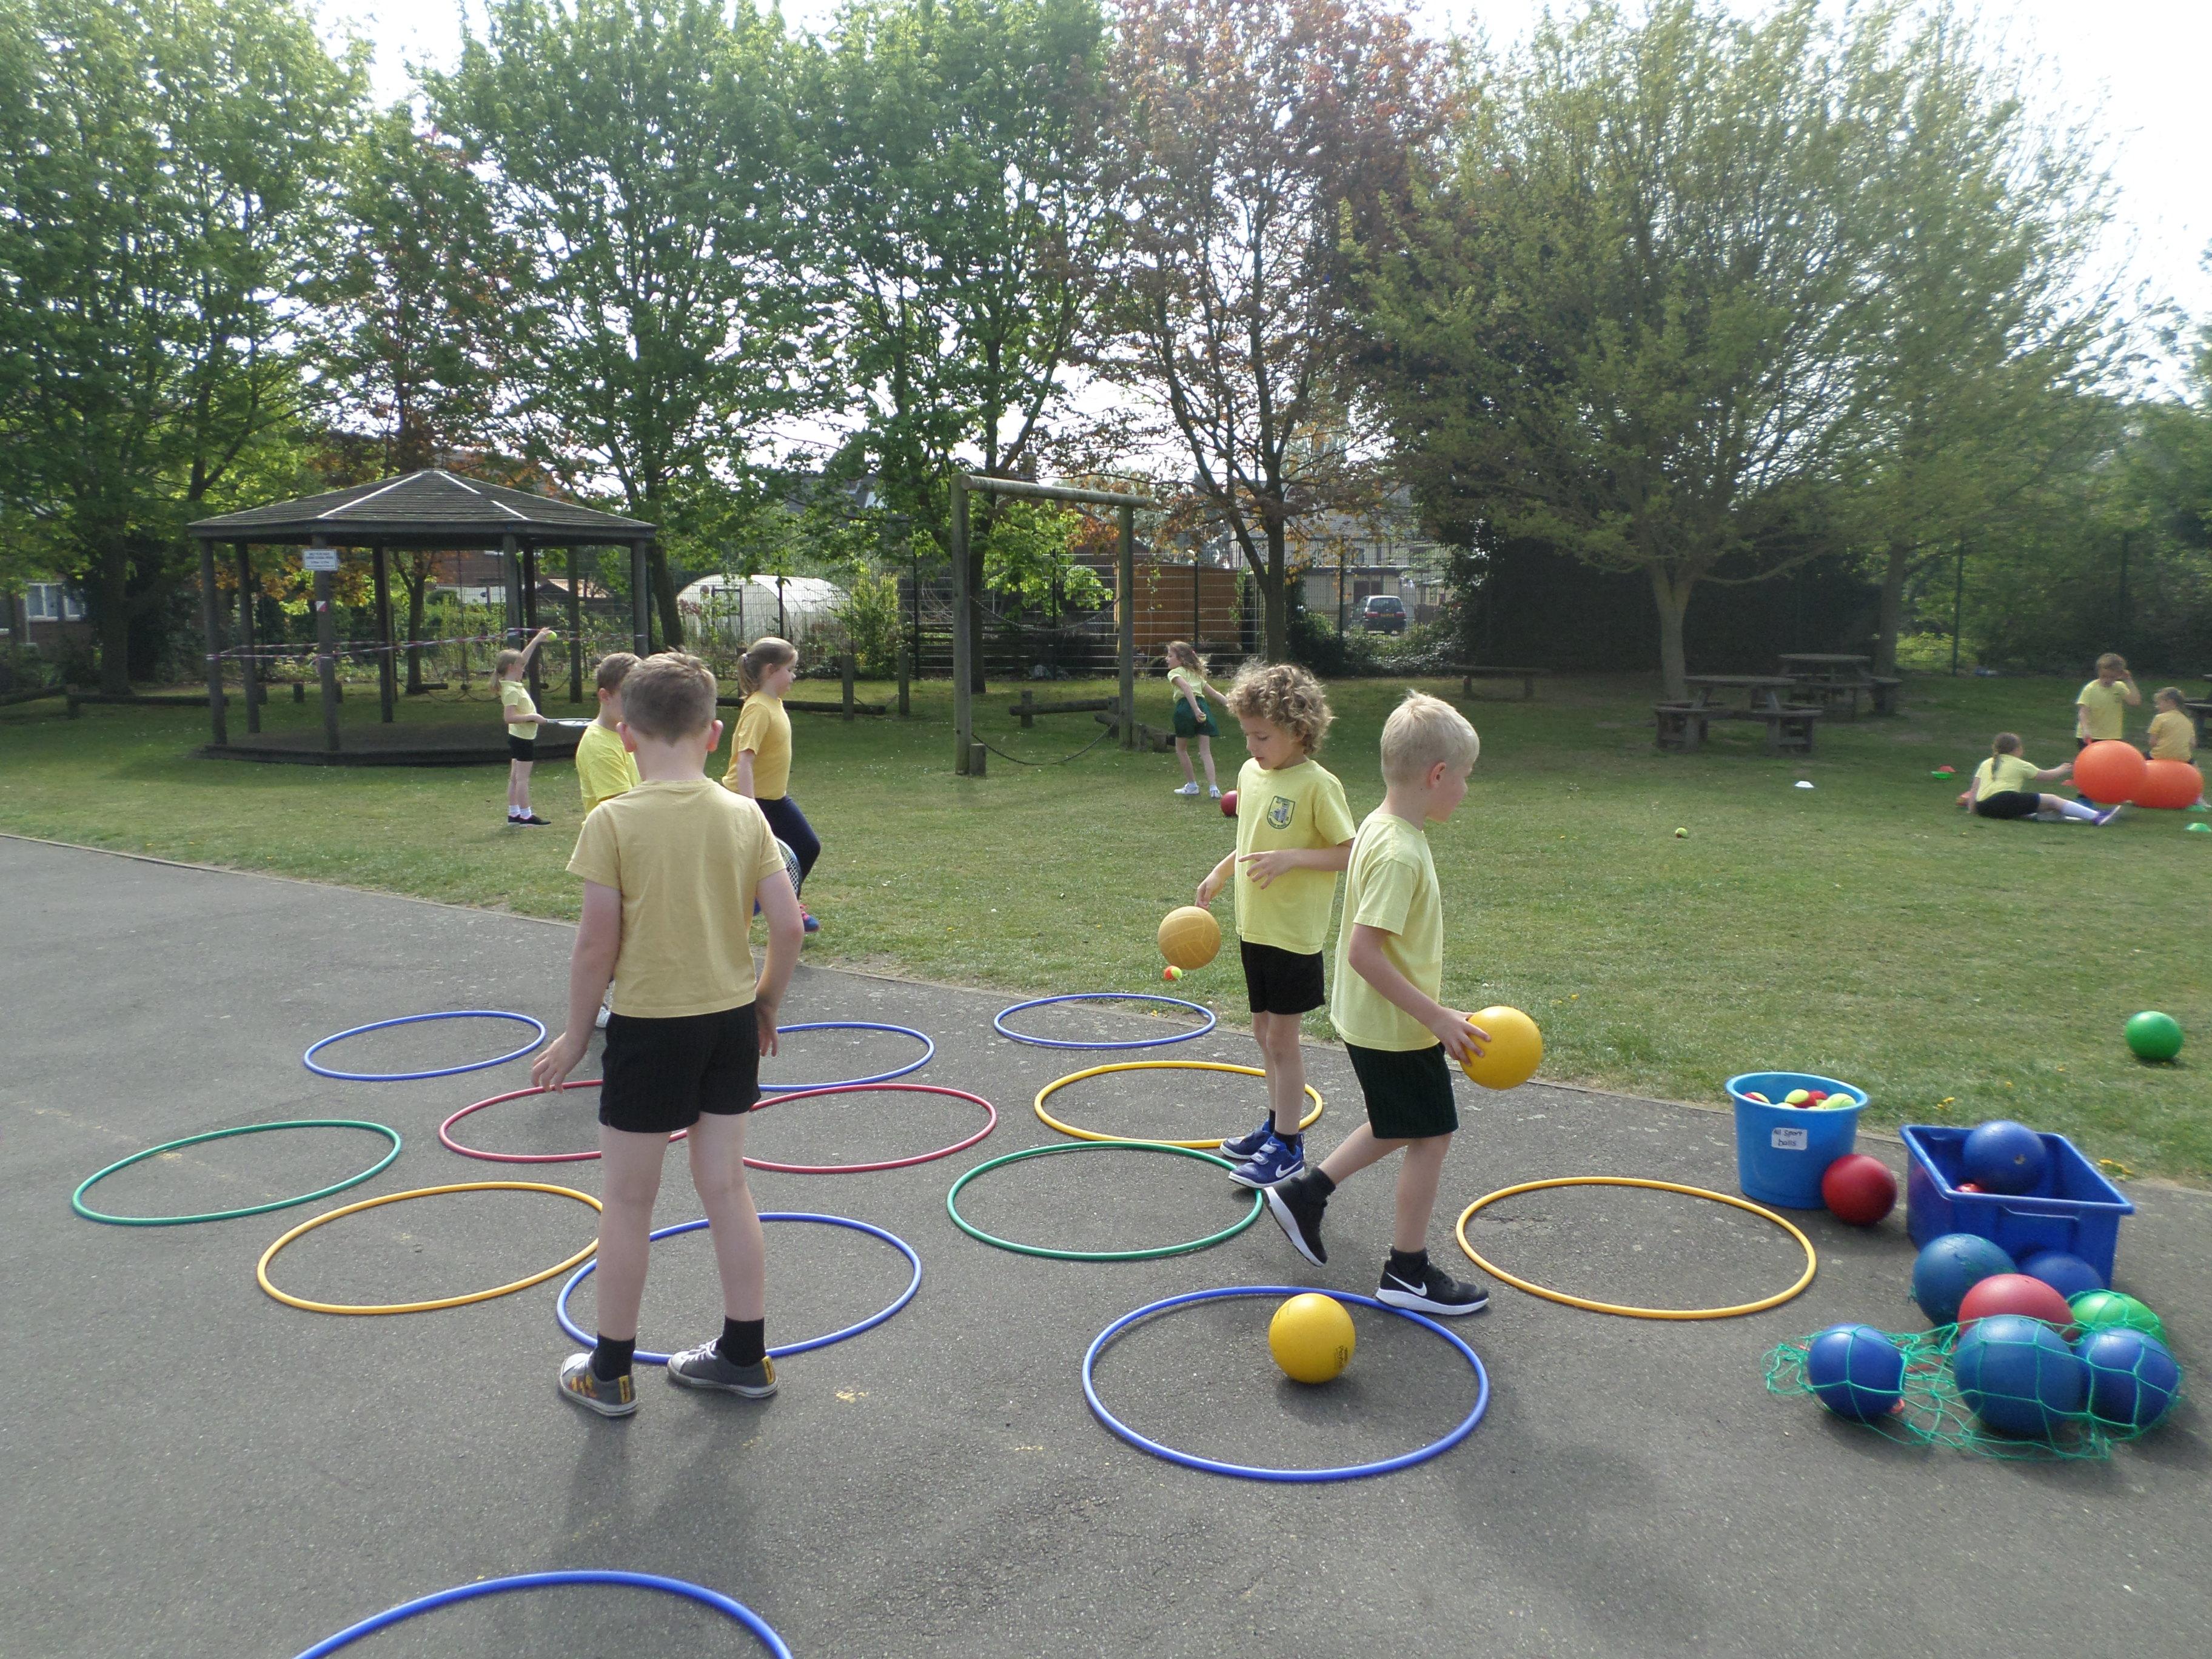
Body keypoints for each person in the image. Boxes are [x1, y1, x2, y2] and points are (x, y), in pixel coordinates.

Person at [533, 652, 806, 1418]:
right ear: (714, 734)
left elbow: (596, 946)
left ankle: (610, 1372)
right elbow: (788, 926)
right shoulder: (745, 814)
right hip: (728, 1023)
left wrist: (574, 1035)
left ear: (626, 733)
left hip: (651, 1030)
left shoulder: (613, 820)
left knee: (627, 1201)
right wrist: (765, 1003)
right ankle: (745, 1357)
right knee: (727, 1186)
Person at [1263, 691, 1489, 1316]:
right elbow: (1365, 952)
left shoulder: (1382, 826)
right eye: (1465, 776)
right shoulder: (1396, 851)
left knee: (1401, 1121)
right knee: (1432, 1134)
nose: (1466, 789)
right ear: (1437, 775)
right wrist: (1436, 1016)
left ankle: (1306, 1193)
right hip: (1395, 1025)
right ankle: (1407, 1271)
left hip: (1377, 1019)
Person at [1198, 662, 1357, 1187]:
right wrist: (1221, 872)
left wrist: (1294, 858)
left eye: (1262, 736)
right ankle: (1274, 1128)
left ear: (1299, 729)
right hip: (1255, 928)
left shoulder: (1318, 785)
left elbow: (1351, 853)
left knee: (1284, 1040)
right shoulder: (1251, 774)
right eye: (1247, 735)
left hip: (1292, 934)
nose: (1251, 746)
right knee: (1263, 1032)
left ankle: (1288, 1147)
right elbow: (1250, 838)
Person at [723, 636, 819, 934]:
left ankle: (781, 904)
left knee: (807, 846)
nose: (793, 676)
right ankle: (765, 905)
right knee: (747, 861)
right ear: (770, 670)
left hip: (775, 799)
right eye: (790, 670)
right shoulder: (758, 708)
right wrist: (750, 807)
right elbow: (744, 761)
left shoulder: (774, 703)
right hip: (751, 799)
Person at [575, 652, 642, 1028]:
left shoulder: (625, 735)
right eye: (628, 696)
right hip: (615, 850)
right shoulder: (599, 745)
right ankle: (592, 1003)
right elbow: (619, 809)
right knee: (611, 937)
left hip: (632, 844)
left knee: (629, 931)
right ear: (605, 696)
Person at [1957, 733, 2116, 823]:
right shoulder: (2019, 764)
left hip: (1984, 808)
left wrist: (1973, 810)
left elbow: (1974, 790)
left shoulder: (1986, 763)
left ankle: (2078, 815)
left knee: (2035, 807)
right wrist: (2061, 769)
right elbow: (2045, 776)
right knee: (2053, 800)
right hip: (2004, 799)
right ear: (2017, 750)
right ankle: (2096, 817)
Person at [496, 626, 555, 826]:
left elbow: (523, 658)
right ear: (512, 667)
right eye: (521, 667)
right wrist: (534, 717)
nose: (524, 668)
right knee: (522, 779)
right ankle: (526, 816)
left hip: (519, 736)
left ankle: (514, 814)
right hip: (522, 738)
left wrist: (537, 640)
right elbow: (509, 717)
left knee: (515, 778)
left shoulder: (511, 683)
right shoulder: (511, 690)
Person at [1163, 641, 1230, 799]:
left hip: (1186, 708)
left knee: (1181, 748)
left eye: (1170, 656)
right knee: (1205, 751)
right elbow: (1215, 694)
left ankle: (1192, 785)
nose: (1167, 659)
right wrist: (1232, 705)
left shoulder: (1174, 673)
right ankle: (1214, 788)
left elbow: (1186, 688)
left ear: (1181, 659)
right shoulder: (1196, 674)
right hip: (1202, 706)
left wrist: (1195, 710)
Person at [2075, 654, 2141, 803]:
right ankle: (2083, 796)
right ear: (2099, 672)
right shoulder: (2090, 689)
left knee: (2112, 768)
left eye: (2112, 677)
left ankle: (2112, 794)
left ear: (2119, 675)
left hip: (2112, 736)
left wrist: (2129, 681)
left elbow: (2135, 701)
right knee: (2089, 767)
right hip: (2090, 735)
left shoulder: (2120, 687)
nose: (2107, 680)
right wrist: (2086, 729)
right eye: (2104, 676)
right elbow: (2083, 711)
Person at [2146, 687, 2208, 809]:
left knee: (2139, 763)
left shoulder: (2160, 718)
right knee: (2196, 770)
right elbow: (2193, 744)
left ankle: (2132, 792)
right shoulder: (2188, 721)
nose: (2157, 707)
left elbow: (2152, 742)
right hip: (2183, 758)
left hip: (2159, 755)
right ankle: (2199, 797)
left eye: (2159, 703)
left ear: (2170, 702)